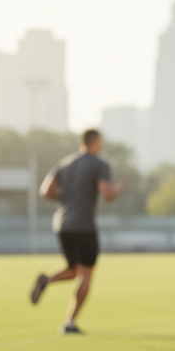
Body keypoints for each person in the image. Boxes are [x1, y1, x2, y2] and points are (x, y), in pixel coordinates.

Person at [30, 129, 125, 333]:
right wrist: (117, 190)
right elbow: (107, 194)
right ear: (96, 142)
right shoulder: (99, 164)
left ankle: (47, 280)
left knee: (75, 270)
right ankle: (70, 323)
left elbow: (46, 191)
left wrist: (66, 199)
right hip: (83, 225)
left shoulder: (65, 163)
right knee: (86, 273)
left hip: (62, 224)